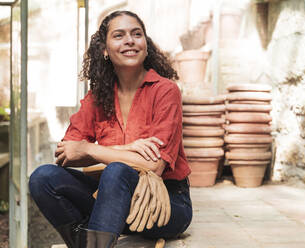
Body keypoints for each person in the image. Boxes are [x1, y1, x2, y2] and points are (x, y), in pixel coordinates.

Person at [29, 10, 192, 248]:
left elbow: (153, 165)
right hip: (110, 199)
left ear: (146, 45)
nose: (129, 40)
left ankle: (94, 242)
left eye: (137, 34)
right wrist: (124, 148)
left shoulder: (165, 91)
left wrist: (90, 149)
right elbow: (66, 154)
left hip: (164, 203)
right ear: (104, 49)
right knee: (43, 177)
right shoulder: (97, 96)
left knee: (117, 171)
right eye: (119, 35)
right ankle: (89, 242)